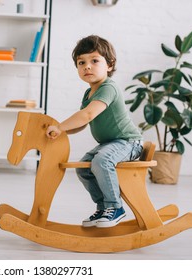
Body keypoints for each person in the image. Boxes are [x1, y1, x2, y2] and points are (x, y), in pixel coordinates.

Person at [46, 35, 143, 228]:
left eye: (94, 61)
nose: (87, 66)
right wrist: (62, 132)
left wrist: (59, 126)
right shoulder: (89, 93)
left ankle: (115, 207)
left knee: (101, 160)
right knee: (83, 167)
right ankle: (103, 208)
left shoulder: (108, 87)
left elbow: (87, 115)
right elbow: (81, 123)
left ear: (109, 65)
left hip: (128, 142)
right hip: (110, 144)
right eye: (81, 62)